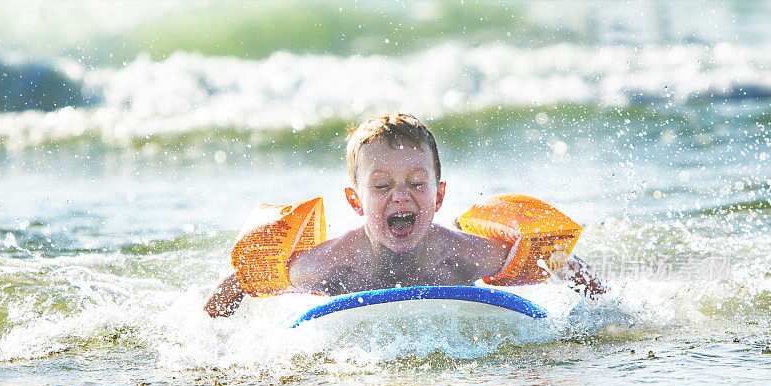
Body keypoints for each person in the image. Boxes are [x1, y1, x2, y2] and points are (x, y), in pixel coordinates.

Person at [204, 113, 605, 318]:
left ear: (439, 196)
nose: (400, 197)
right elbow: (249, 277)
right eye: (380, 186)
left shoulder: (461, 253)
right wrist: (205, 335)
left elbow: (550, 258)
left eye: (416, 183)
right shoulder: (332, 263)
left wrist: (606, 310)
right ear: (355, 201)